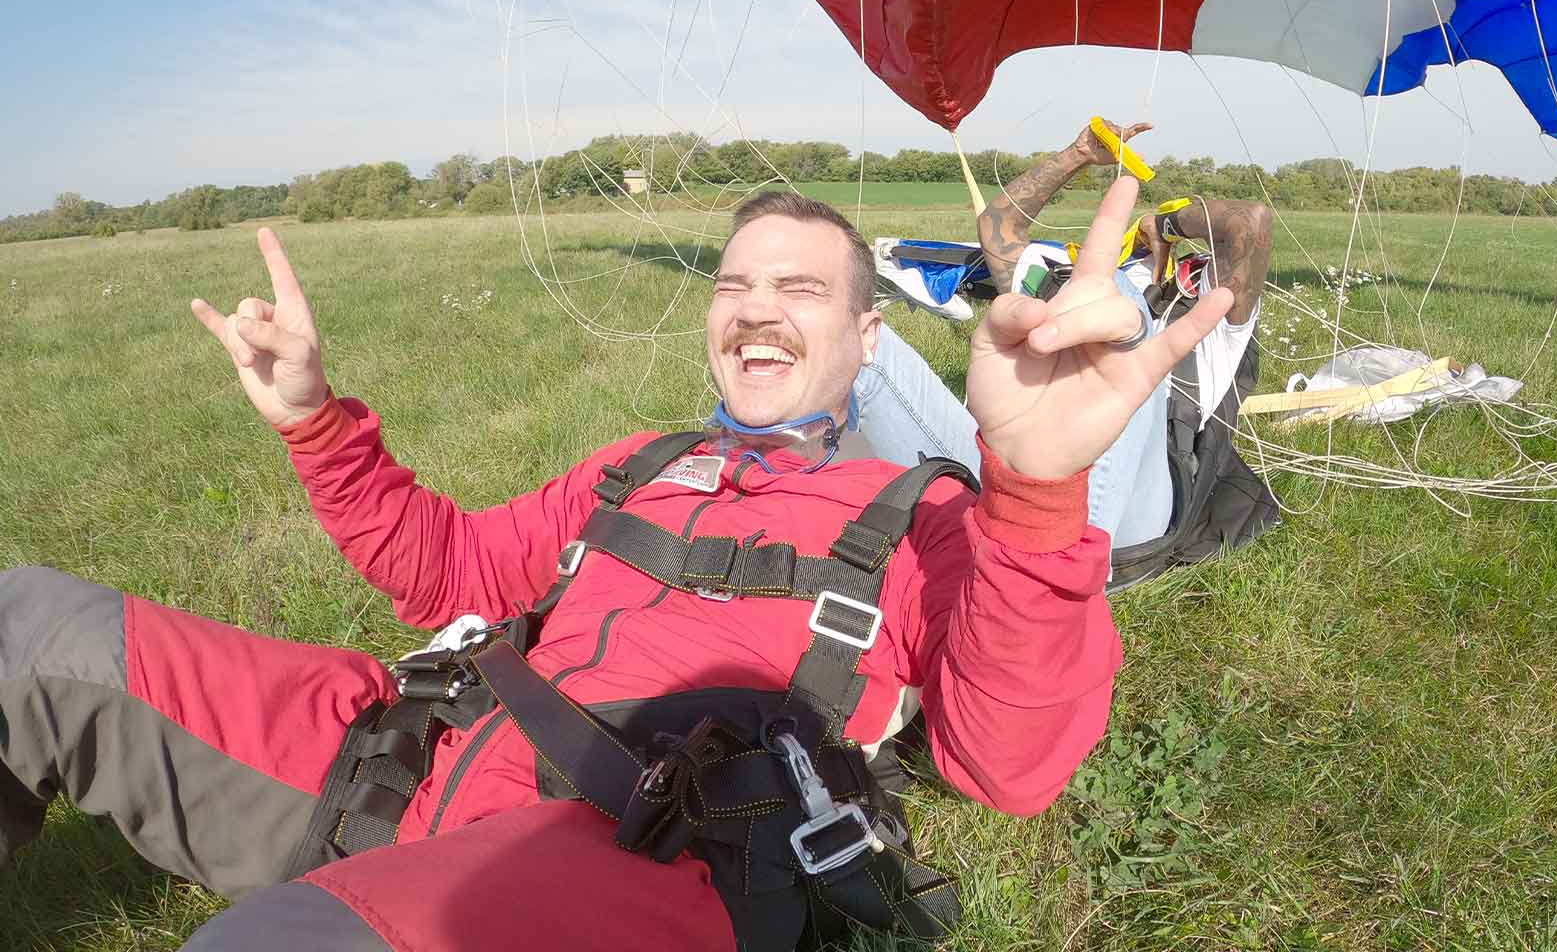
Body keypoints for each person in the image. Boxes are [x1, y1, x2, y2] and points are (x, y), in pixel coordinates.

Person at [0, 177, 1230, 951]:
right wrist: (314, 418)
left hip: (625, 857)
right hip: (401, 756)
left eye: (799, 286)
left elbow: (1008, 763)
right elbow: (447, 573)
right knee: (23, 628)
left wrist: (1037, 485)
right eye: (735, 280)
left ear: (867, 336)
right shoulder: (641, 462)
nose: (755, 305)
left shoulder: (927, 519)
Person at [854, 120, 1276, 578]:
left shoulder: (1206, 323)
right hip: (1006, 477)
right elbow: (999, 225)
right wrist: (1076, 155)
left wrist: (1166, 223)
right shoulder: (1063, 283)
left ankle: (1056, 569)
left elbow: (1249, 222)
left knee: (1116, 300)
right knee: (857, 334)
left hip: (1128, 519)